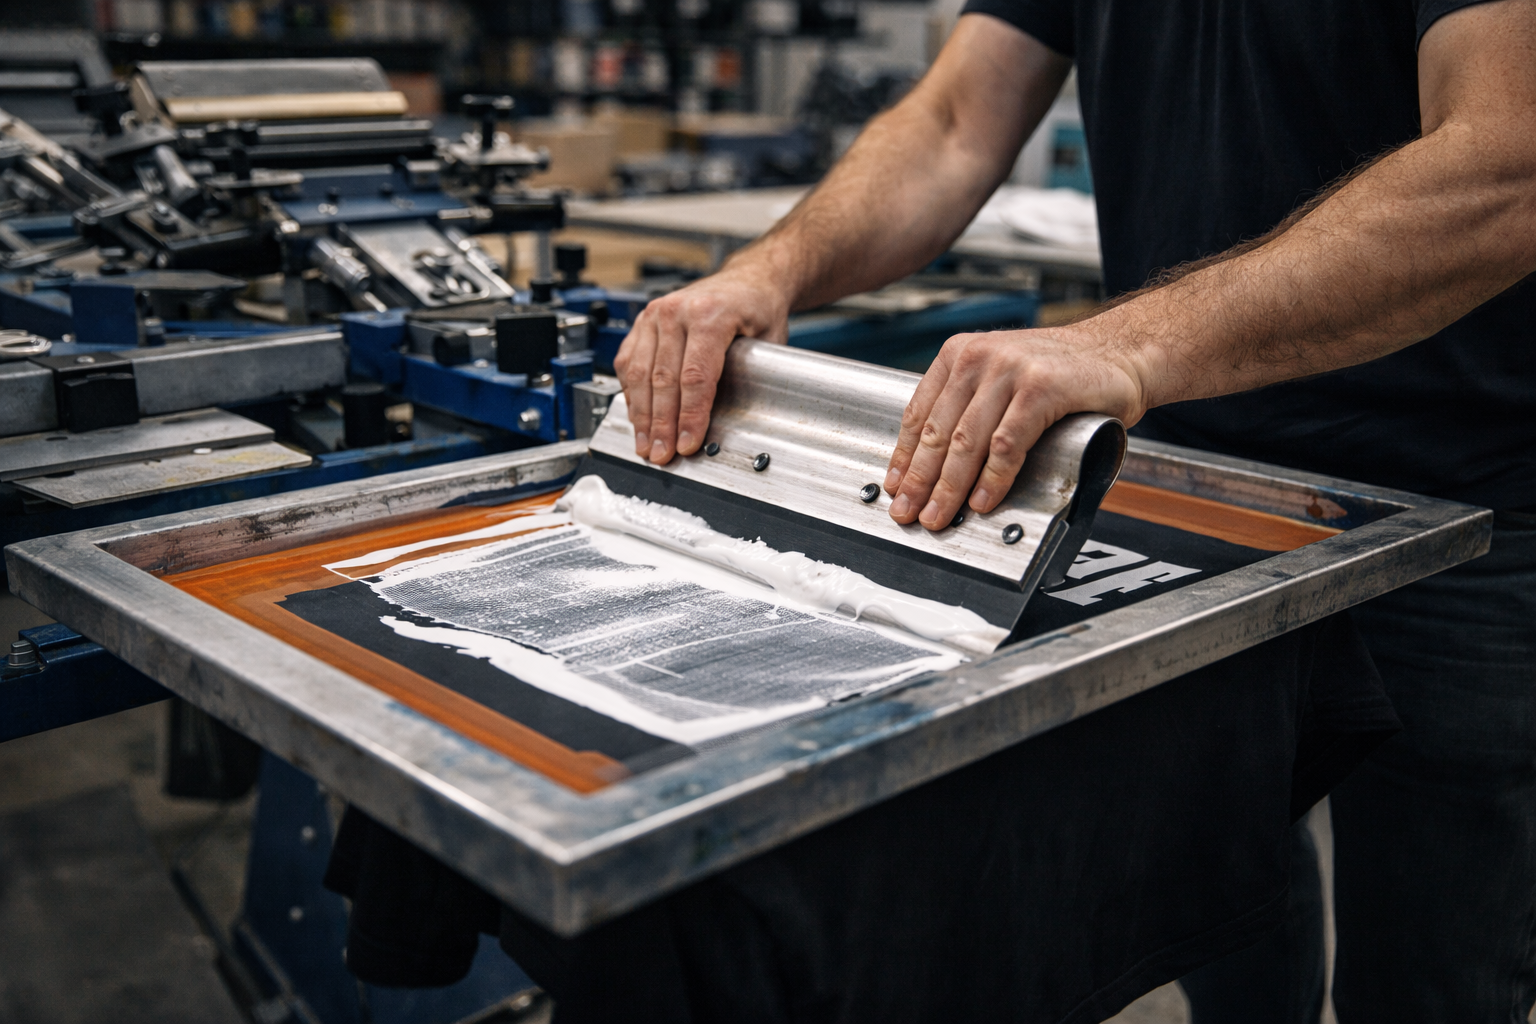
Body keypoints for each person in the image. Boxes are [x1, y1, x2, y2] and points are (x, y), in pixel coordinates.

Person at [612, 0, 1536, 1019]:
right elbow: (956, 123)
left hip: (1462, 511)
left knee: (1434, 978)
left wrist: (1127, 344)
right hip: (1203, 501)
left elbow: (1506, 162)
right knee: (1226, 915)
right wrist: (768, 270)